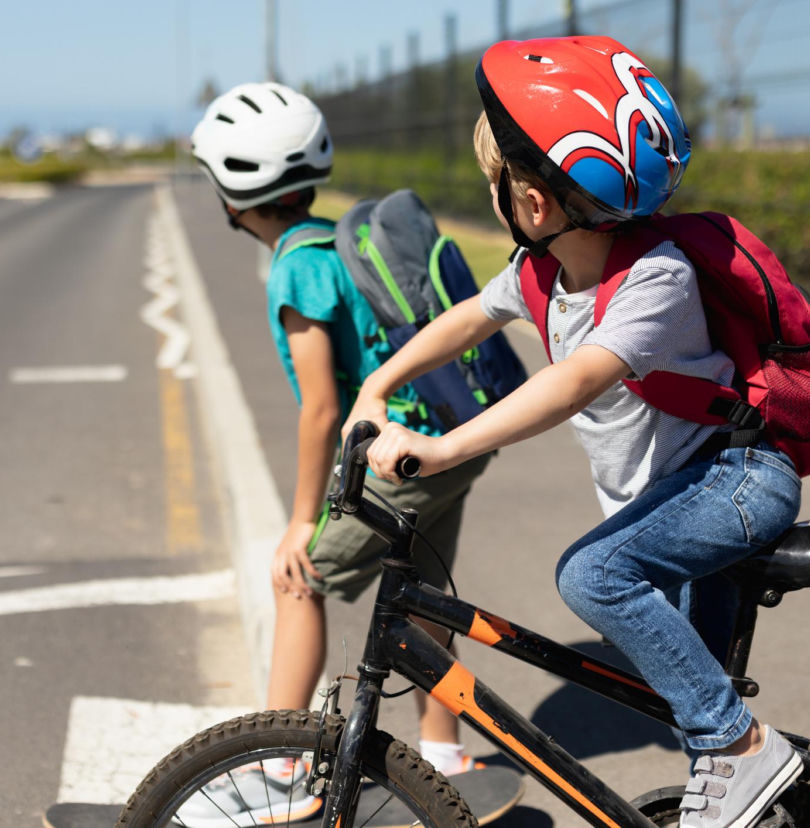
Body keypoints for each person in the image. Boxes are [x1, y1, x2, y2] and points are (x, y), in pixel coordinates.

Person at [345, 36, 803, 828]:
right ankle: (735, 765)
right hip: (676, 497)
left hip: (738, 481)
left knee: (594, 578)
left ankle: (744, 747)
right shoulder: (542, 273)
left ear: (529, 204)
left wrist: (448, 446)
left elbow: (574, 380)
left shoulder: (656, 277)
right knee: (701, 738)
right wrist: (379, 384)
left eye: (497, 181)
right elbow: (464, 320)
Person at [183, 82, 496, 824]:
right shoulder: (339, 241)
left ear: (235, 193)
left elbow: (322, 406)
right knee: (424, 592)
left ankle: (280, 770)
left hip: (392, 456)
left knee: (299, 580)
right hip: (443, 444)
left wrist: (301, 521)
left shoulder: (296, 267)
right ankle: (442, 750)